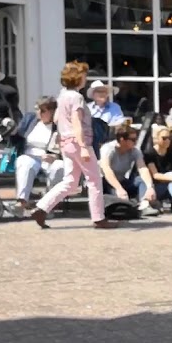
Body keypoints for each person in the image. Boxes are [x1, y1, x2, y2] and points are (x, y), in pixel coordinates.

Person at [29, 61, 117, 229]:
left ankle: (41, 207)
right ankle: (99, 218)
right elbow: (77, 122)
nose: (85, 79)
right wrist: (84, 147)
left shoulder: (62, 95)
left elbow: (56, 119)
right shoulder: (77, 97)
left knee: (70, 181)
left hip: (65, 143)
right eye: (84, 76)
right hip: (78, 142)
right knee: (94, 180)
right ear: (77, 78)